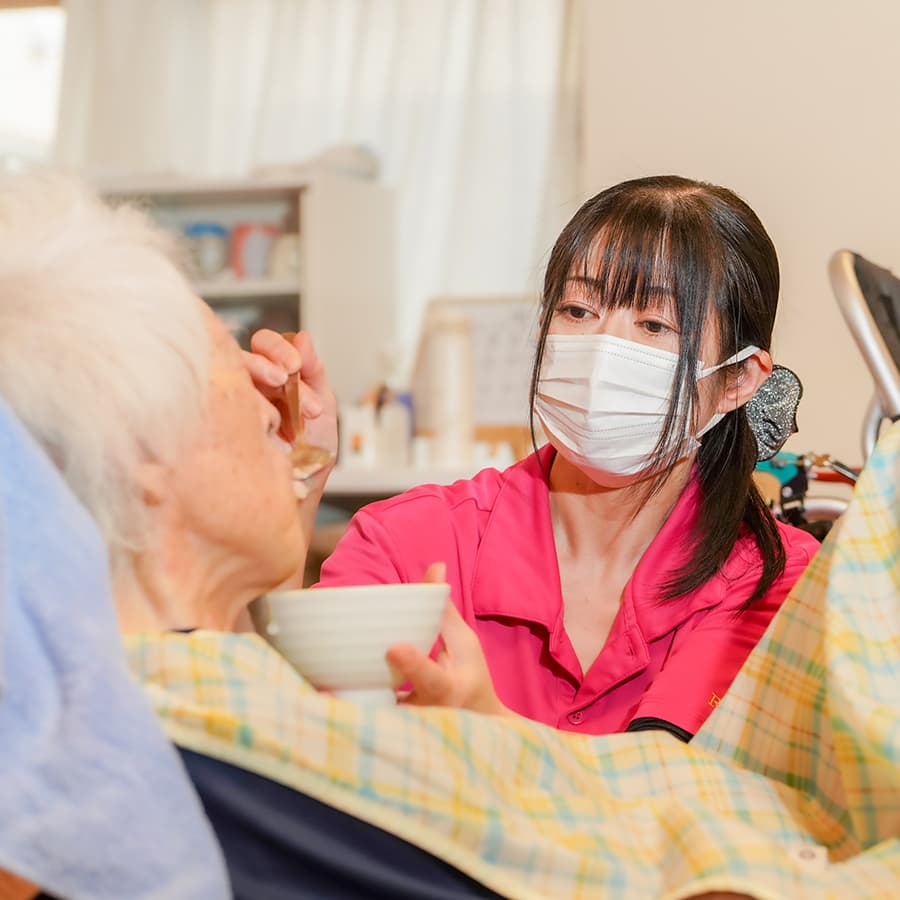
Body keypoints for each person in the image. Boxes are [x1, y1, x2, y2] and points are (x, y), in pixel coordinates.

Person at [248, 175, 821, 740]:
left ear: (737, 380)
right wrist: (289, 491)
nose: (602, 349)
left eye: (653, 324)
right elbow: (281, 729)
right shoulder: (408, 541)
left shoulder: (777, 580)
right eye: (577, 309)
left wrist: (488, 727)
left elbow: (673, 795)